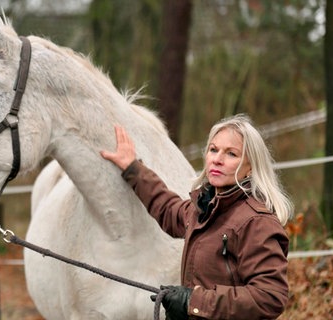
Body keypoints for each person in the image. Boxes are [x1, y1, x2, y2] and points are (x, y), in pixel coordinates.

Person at [100, 114, 293, 320]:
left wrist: (192, 301)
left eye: (231, 154)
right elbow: (167, 207)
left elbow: (270, 296)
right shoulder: (203, 209)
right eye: (213, 149)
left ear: (250, 167)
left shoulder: (257, 222)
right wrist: (132, 168)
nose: (217, 159)